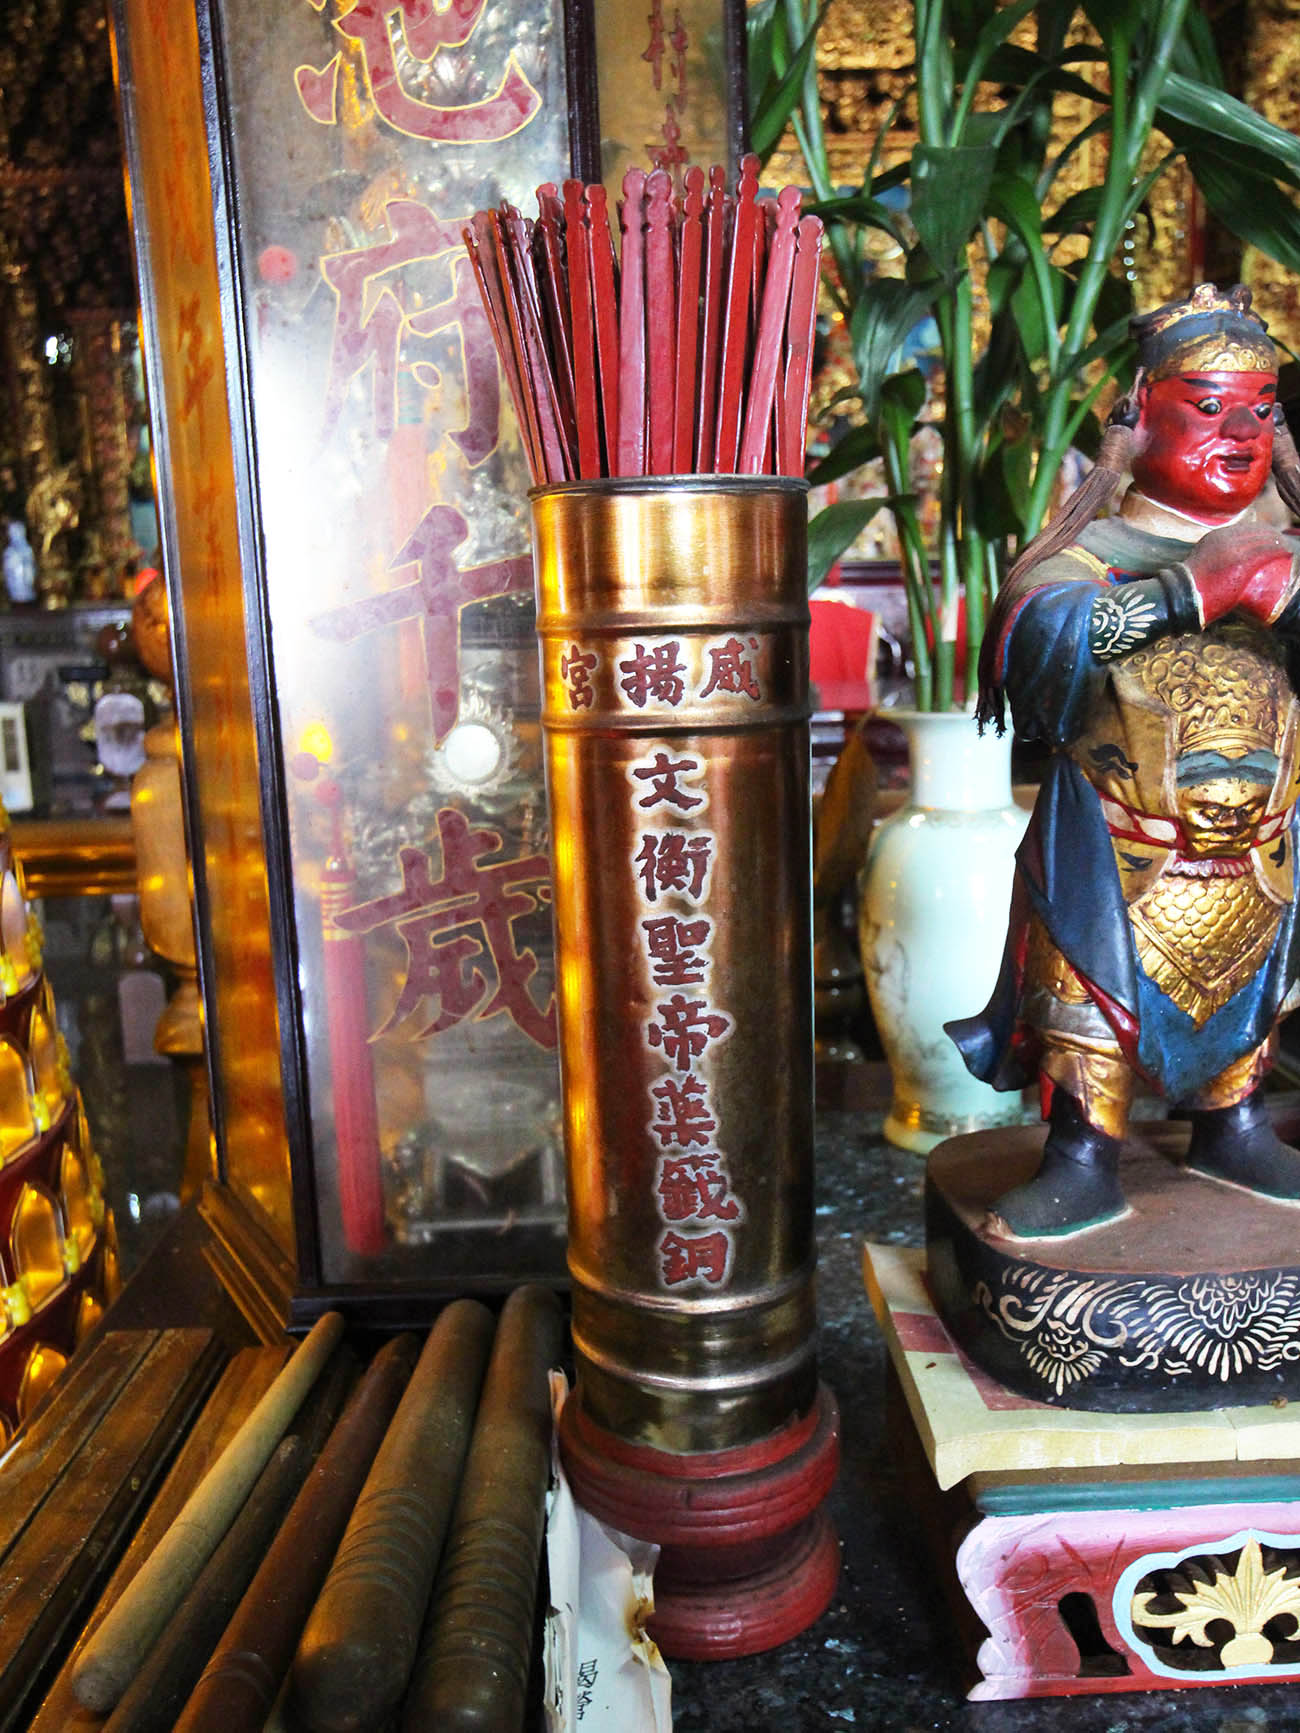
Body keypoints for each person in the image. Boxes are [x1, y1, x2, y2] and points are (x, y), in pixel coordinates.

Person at [948, 283, 1300, 1237]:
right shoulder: (1093, 554)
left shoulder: (1285, 550)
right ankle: (1082, 1152)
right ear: (1141, 413)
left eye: (1261, 409)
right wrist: (1189, 591)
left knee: (1255, 985)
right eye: (1209, 406)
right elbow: (1039, 637)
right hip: (1121, 846)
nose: (1241, 432)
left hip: (1261, 851)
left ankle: (1234, 1123)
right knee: (1089, 1003)